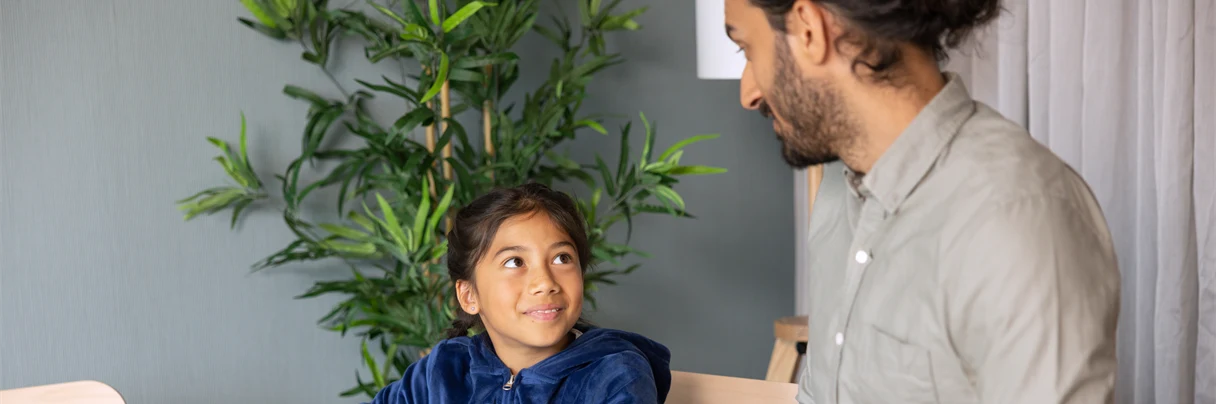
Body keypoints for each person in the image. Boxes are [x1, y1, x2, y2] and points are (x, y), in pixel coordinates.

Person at [723, 0, 1120, 403]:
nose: (748, 94)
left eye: (747, 49)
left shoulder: (1020, 217)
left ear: (810, 28)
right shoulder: (835, 186)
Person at [365, 183, 671, 404]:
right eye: (515, 262)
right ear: (469, 295)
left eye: (562, 258)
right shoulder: (441, 372)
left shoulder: (615, 376)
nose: (545, 281)